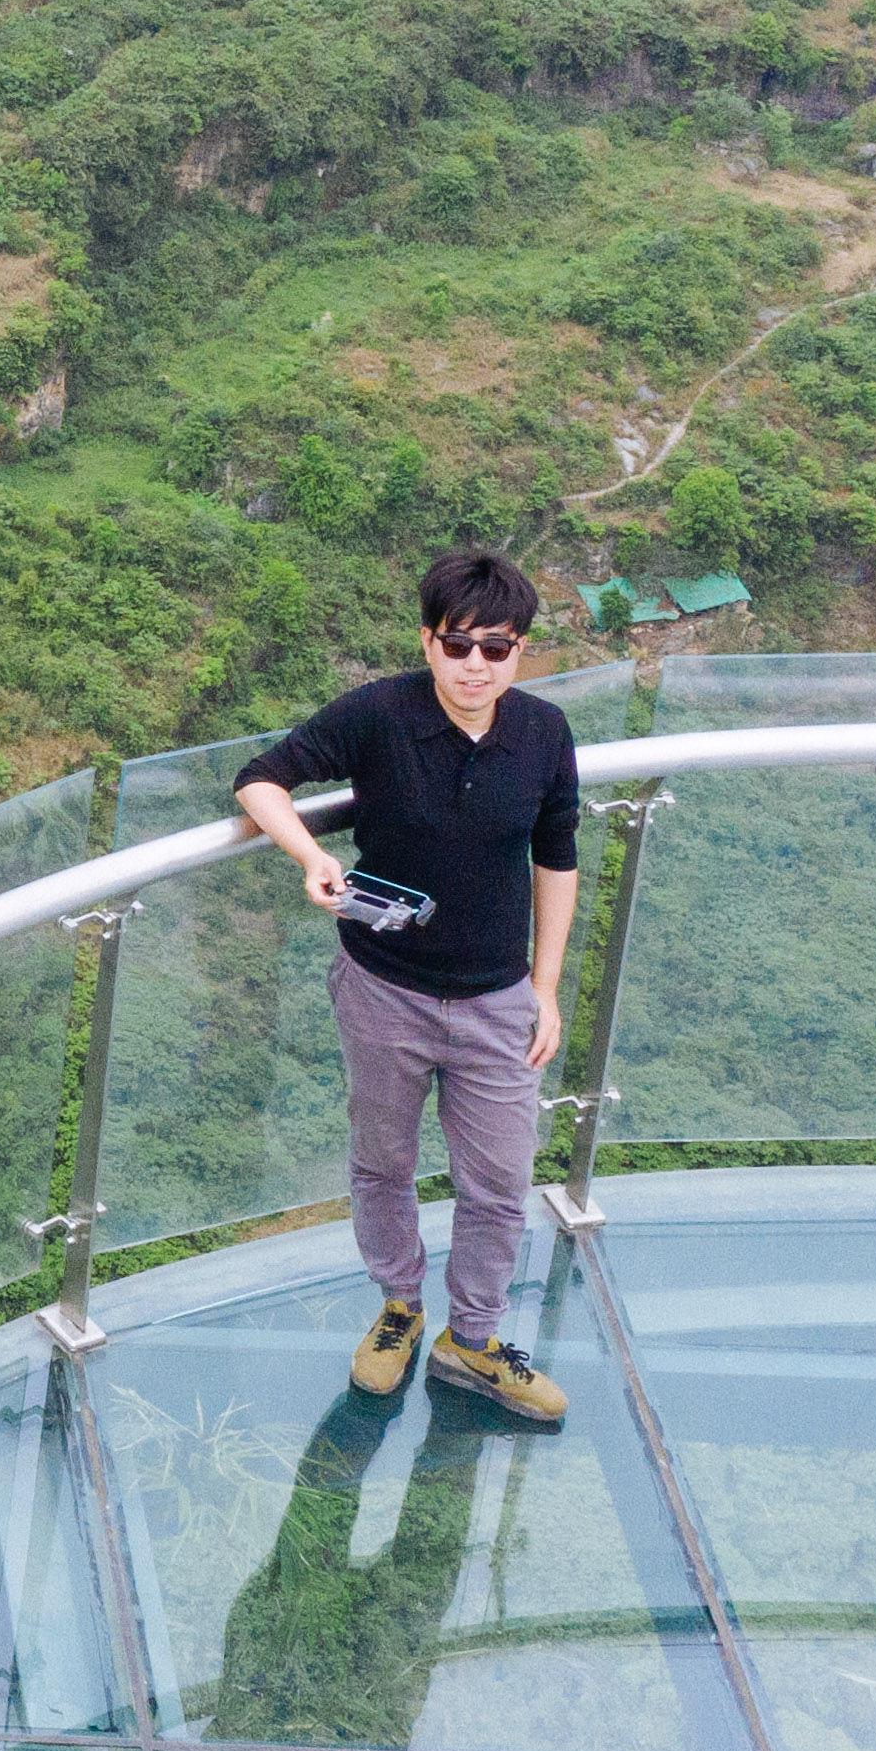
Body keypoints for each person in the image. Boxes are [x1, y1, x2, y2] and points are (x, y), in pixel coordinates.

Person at [231, 546, 583, 1425]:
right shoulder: (379, 714)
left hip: (499, 997)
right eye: (457, 645)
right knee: (382, 1161)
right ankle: (399, 1308)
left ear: (521, 651)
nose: (475, 665)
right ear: (427, 642)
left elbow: (558, 857)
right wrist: (313, 854)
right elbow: (260, 779)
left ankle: (472, 1338)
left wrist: (546, 985)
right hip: (383, 988)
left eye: (496, 648)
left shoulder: (543, 734)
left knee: (499, 1179)